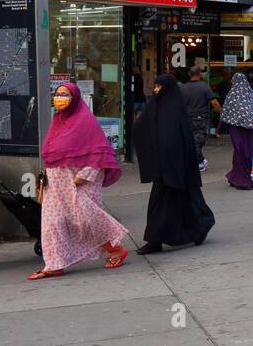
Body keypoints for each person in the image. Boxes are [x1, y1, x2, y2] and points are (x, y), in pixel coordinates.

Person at [30, 82, 128, 279]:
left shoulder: (86, 121)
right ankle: (54, 264)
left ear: (74, 97)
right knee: (52, 223)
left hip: (78, 181)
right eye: (57, 94)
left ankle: (116, 248)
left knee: (86, 220)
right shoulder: (57, 121)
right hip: (55, 183)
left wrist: (83, 176)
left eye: (65, 94)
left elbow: (99, 153)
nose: (60, 98)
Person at [133, 74, 216, 254]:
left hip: (175, 168)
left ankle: (155, 240)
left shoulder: (175, 110)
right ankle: (199, 226)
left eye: (158, 87)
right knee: (179, 203)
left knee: (165, 204)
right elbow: (141, 127)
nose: (155, 90)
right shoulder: (157, 106)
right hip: (166, 168)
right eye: (154, 86)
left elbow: (177, 140)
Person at [221, 72, 253, 189]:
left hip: (236, 129)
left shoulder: (232, 95)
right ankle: (240, 178)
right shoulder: (251, 94)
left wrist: (219, 129)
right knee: (247, 152)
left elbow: (225, 112)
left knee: (239, 152)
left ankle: (241, 179)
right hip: (249, 131)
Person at [181, 65, 220, 173]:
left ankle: (199, 161)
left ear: (189, 74)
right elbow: (214, 102)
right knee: (197, 142)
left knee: (191, 141)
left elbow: (178, 103)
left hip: (187, 118)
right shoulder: (204, 87)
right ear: (200, 74)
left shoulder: (183, 87)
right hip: (200, 118)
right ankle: (199, 162)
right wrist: (221, 113)